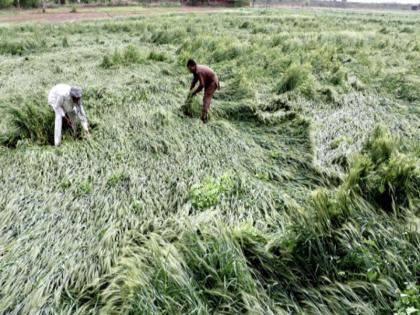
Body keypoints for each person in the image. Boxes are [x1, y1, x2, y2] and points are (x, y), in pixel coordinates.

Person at [187, 59, 220, 123]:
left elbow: (202, 85)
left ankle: (204, 118)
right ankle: (205, 113)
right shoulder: (195, 70)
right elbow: (194, 81)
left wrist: (194, 92)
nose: (189, 70)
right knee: (205, 98)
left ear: (192, 66)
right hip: (209, 81)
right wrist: (190, 91)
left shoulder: (199, 71)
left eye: (189, 68)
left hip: (212, 82)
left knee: (206, 98)